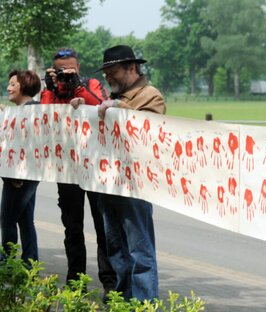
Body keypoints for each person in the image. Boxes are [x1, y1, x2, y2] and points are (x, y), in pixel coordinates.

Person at [41, 47, 116, 290]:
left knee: (102, 228)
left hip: (95, 167)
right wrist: (52, 89)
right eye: (61, 70)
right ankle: (76, 284)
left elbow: (103, 106)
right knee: (72, 229)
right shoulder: (50, 91)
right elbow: (43, 119)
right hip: (67, 169)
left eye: (70, 69)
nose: (65, 73)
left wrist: (77, 86)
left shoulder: (90, 83)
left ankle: (109, 284)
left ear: (79, 67)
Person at [95, 44, 165, 301]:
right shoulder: (116, 96)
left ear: (132, 68)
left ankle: (144, 303)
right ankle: (121, 301)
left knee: (139, 249)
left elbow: (147, 129)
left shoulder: (150, 95)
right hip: (109, 182)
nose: (108, 78)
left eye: (112, 71)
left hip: (136, 185)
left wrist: (115, 109)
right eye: (106, 73)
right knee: (115, 248)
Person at [0, 69, 42, 266]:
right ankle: (29, 265)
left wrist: (19, 174)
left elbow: (29, 146)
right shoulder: (24, 111)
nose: (8, 88)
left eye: (13, 84)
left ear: (24, 86)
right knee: (25, 220)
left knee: (7, 220)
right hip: (21, 174)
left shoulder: (32, 112)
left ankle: (6, 266)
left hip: (20, 175)